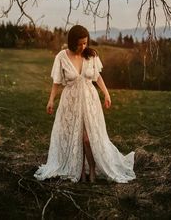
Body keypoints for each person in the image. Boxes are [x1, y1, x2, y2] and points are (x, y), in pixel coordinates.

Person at [34, 25, 136, 183]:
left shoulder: (91, 55)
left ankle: (92, 169)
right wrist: (51, 100)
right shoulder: (61, 57)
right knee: (76, 138)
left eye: (85, 43)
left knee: (88, 139)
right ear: (72, 42)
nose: (83, 47)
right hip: (71, 102)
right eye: (80, 43)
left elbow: (98, 77)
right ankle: (80, 171)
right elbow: (56, 82)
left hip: (90, 102)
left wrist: (106, 94)